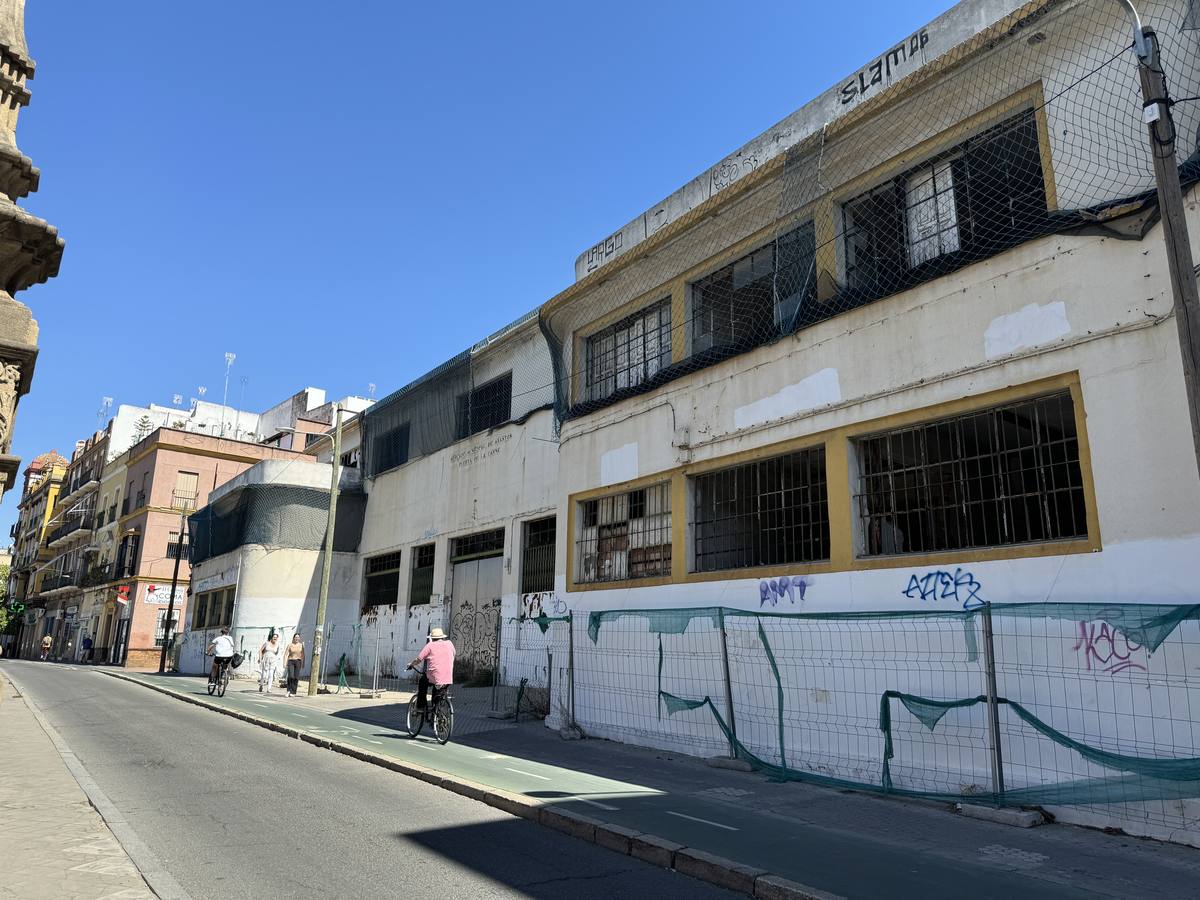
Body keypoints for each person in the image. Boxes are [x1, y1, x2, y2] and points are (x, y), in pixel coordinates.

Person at [407, 627, 456, 711]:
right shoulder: (449, 644)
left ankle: (420, 707)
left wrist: (411, 664)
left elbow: (419, 659)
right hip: (448, 677)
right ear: (442, 637)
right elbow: (453, 654)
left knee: (423, 681)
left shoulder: (430, 646)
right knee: (438, 692)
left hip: (434, 676)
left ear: (432, 638)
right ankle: (437, 714)